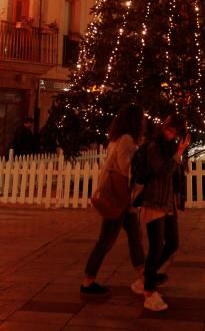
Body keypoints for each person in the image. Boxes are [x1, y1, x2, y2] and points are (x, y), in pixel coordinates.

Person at [81, 104, 145, 296]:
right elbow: (126, 167)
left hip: (121, 199)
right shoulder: (126, 140)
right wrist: (141, 160)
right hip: (118, 198)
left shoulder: (117, 139)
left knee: (135, 237)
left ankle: (144, 277)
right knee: (106, 241)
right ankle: (87, 282)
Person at [134, 114, 190, 312]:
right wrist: (179, 152)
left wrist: (180, 153)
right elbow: (162, 172)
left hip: (168, 203)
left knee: (173, 242)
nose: (171, 134)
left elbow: (175, 174)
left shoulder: (171, 147)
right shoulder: (154, 147)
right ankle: (149, 292)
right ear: (163, 127)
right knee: (156, 247)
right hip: (154, 201)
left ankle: (147, 277)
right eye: (169, 129)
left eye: (175, 132)